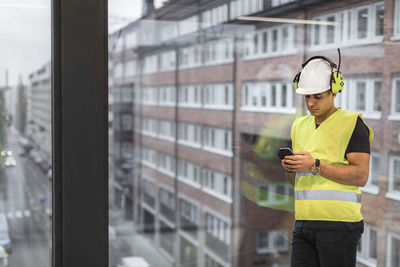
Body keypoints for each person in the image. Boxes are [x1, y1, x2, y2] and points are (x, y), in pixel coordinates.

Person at [281, 52, 374, 267]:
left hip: (339, 226)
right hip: (303, 224)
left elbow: (361, 176)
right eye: (306, 97)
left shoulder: (352, 124)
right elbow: (297, 183)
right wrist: (290, 169)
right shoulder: (299, 126)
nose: (310, 103)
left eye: (317, 96)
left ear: (334, 91)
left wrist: (315, 166)